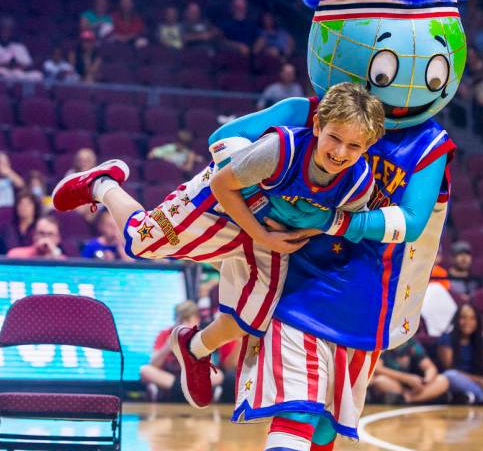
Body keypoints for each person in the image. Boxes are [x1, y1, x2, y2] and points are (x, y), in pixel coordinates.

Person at [205, 0, 469, 451]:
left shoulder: (430, 144)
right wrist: (267, 173)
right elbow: (226, 143)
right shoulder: (310, 117)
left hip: (368, 297)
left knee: (326, 426)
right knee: (296, 404)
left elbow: (405, 221)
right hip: (298, 283)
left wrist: (329, 219)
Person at [51, 82, 384, 410]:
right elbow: (223, 184)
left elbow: (329, 225)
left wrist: (288, 230)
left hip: (272, 227)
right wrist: (260, 234)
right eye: (334, 138)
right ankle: (102, 184)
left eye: (353, 146)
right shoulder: (280, 150)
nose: (340, 152)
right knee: (142, 243)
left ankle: (193, 347)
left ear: (366, 147)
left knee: (253, 317)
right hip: (226, 199)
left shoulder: (357, 187)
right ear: (317, 126)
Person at [140, 300, 223, 402]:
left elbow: (208, 368)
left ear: (197, 320)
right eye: (180, 320)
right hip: (171, 379)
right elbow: (153, 364)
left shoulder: (201, 336)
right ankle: (183, 391)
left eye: (188, 320)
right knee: (145, 370)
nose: (184, 325)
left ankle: (186, 390)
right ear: (175, 320)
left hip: (193, 380)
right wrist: (168, 345)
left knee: (218, 376)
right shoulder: (165, 334)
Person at [437, 304, 483, 404]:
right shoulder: (446, 339)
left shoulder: (481, 342)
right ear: (456, 319)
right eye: (463, 317)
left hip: (478, 384)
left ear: (477, 322)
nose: (468, 322)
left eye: (472, 318)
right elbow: (449, 369)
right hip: (457, 382)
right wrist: (480, 381)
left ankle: (475, 397)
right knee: (450, 375)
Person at [370, 338, 449, 404]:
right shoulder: (382, 343)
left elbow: (430, 368)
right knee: (380, 381)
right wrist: (406, 378)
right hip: (395, 383)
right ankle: (419, 398)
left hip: (416, 386)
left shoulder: (412, 344)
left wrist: (425, 381)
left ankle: (407, 399)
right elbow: (377, 368)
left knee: (443, 380)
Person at [0, 17, 42, 81]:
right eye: (4, 28)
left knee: (37, 75)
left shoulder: (19, 47)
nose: (6, 31)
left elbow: (29, 65)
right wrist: (2, 64)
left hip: (17, 75)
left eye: (9, 29)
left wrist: (15, 65)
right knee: (1, 73)